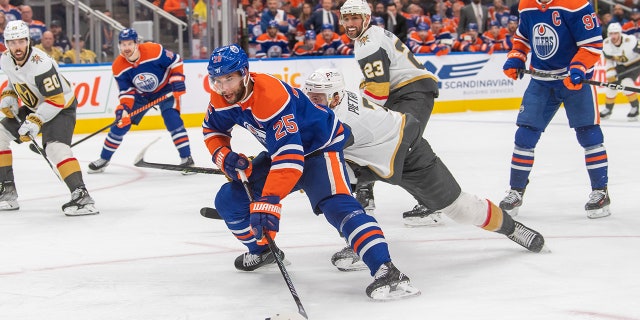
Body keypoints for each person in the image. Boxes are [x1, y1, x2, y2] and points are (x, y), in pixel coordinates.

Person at [204, 44, 419, 301]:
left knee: (338, 207)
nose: (225, 87)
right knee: (230, 198)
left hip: (319, 149)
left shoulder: (270, 96)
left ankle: (387, 271)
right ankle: (263, 251)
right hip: (284, 151)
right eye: (218, 80)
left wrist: (269, 200)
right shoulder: (221, 98)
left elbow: (290, 157)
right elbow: (213, 131)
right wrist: (225, 157)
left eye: (230, 78)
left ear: (245, 73)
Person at [302, 68, 546, 271]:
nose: (312, 103)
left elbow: (311, 149)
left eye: (318, 98)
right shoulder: (333, 105)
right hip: (368, 156)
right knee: (335, 193)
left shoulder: (342, 119)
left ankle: (513, 229)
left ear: (335, 96)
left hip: (408, 155)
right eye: (309, 96)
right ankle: (359, 242)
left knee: (460, 208)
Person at [501, 0, 610, 219]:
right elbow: (523, 36)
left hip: (574, 81)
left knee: (589, 135)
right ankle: (516, 191)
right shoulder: (526, 5)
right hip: (541, 80)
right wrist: (517, 56)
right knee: (524, 136)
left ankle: (601, 192)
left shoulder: (576, 4)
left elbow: (592, 44)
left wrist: (579, 67)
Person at [340, 0, 440, 225]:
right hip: (406, 92)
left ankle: (431, 203)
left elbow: (377, 90)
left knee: (402, 147)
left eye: (354, 18)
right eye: (346, 18)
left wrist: (362, 116)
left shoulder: (367, 42)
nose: (350, 23)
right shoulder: (371, 35)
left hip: (412, 92)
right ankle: (365, 193)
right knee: (376, 142)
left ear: (365, 18)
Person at [0, 20, 98, 215]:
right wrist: (9, 96)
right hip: (34, 106)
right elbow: (13, 80)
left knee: (55, 149)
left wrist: (36, 121)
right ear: (6, 43)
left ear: (28, 41)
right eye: (12, 42)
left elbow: (56, 99)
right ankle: (7, 193)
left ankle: (82, 197)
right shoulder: (5, 58)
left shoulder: (41, 64)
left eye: (20, 41)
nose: (17, 47)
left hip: (61, 107)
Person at [88, 28, 193, 173]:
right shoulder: (118, 66)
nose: (126, 48)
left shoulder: (154, 50)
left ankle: (187, 159)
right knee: (120, 124)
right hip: (141, 95)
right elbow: (126, 92)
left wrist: (177, 79)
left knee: (172, 118)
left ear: (137, 44)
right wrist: (123, 109)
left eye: (129, 44)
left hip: (166, 89)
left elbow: (176, 61)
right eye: (123, 45)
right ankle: (104, 159)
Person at [600, 22, 640, 121]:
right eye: (611, 33)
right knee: (611, 85)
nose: (613, 36)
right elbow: (609, 60)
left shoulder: (630, 40)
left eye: (615, 33)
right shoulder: (606, 44)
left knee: (627, 84)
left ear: (620, 33)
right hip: (620, 65)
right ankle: (608, 109)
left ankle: (635, 108)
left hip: (635, 63)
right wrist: (610, 71)